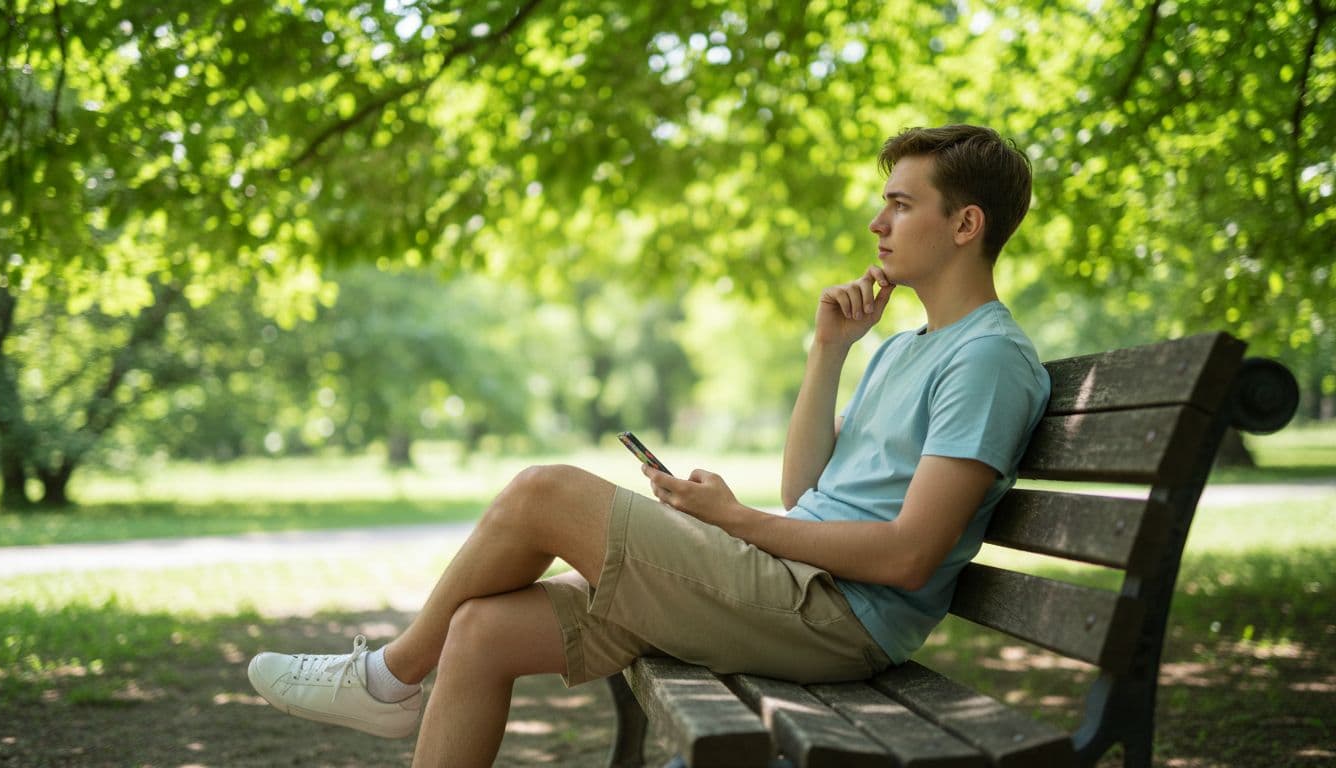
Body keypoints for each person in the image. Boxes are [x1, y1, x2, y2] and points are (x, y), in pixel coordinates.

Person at [246, 124, 1052, 767]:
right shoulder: (906, 348)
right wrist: (828, 353)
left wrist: (734, 522)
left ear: (965, 224)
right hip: (790, 585)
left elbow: (910, 558)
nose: (877, 222)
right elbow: (810, 488)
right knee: (481, 632)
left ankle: (386, 679)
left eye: (901, 205)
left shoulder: (986, 359)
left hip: (836, 618)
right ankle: (392, 682)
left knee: (543, 493)